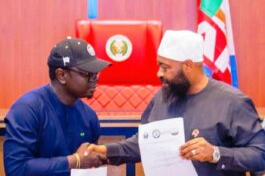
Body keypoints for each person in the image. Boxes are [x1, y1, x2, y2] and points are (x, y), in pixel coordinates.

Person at [88, 30, 265, 176]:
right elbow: (145, 143)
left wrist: (215, 154)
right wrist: (106, 151)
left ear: (188, 66)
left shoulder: (233, 102)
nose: (158, 73)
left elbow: (260, 154)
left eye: (165, 67)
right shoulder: (162, 97)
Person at [4, 37, 111, 176]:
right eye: (87, 73)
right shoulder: (27, 109)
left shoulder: (90, 116)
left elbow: (88, 167)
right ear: (61, 75)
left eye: (96, 73)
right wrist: (75, 161)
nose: (95, 79)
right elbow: (16, 169)